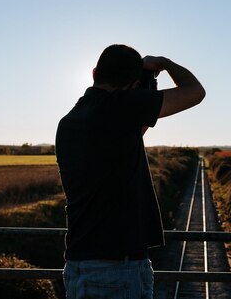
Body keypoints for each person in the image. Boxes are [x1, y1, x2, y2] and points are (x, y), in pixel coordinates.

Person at [55, 44, 205, 299]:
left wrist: (142, 82)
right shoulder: (120, 108)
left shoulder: (71, 119)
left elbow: (137, 129)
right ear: (133, 86)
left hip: (84, 262)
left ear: (94, 73)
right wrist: (163, 63)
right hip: (115, 269)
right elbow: (195, 92)